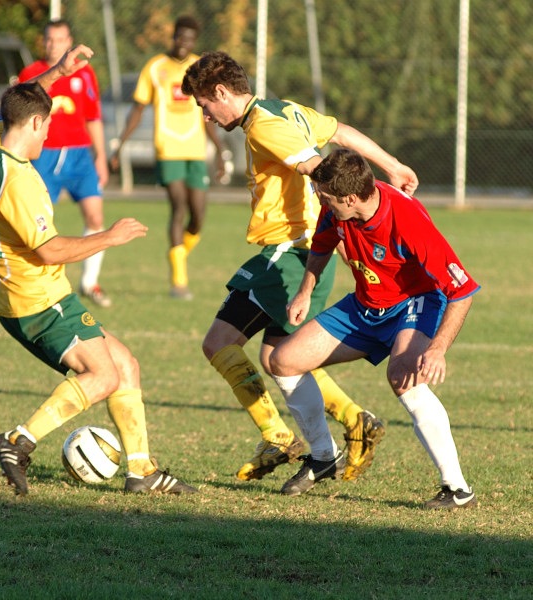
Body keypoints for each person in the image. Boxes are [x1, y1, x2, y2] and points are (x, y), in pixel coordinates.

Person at [181, 51, 419, 483]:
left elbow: (322, 169)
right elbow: (342, 132)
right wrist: (393, 164)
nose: (207, 117)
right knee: (278, 357)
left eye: (204, 106)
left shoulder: (265, 124)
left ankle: (279, 438)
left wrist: (357, 229)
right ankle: (350, 425)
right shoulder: (284, 108)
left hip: (289, 252)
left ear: (220, 92)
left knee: (219, 343)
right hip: (302, 249)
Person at [0, 44, 196, 497]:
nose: (48, 135)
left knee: (126, 365)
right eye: (47, 126)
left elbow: (24, 99)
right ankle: (17, 441)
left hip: (40, 296)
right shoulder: (17, 183)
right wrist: (109, 237)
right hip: (36, 301)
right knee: (104, 376)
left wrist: (57, 71)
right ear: (35, 124)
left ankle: (141, 471)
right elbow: (51, 250)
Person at [269, 148, 479, 508]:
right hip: (365, 305)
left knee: (403, 377)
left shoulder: (407, 220)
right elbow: (321, 245)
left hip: (414, 303)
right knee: (283, 361)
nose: (321, 201)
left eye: (327, 198)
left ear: (351, 198)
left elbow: (462, 290)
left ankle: (457, 489)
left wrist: (438, 348)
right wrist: (305, 291)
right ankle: (323, 458)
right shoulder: (337, 207)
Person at [110, 15, 226, 300]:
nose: (183, 43)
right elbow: (137, 109)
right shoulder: (155, 68)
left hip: (195, 151)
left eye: (189, 38)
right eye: (179, 37)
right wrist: (121, 144)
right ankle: (179, 281)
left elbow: (208, 114)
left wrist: (221, 152)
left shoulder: (200, 68)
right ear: (173, 36)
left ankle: (178, 255)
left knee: (198, 216)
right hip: (167, 150)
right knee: (179, 207)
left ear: (194, 41)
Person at [19, 19, 112, 308]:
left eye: (59, 40)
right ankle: (34, 281)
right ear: (43, 41)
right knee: (39, 222)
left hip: (80, 155)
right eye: (49, 39)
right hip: (43, 155)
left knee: (96, 217)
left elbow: (93, 117)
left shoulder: (85, 73)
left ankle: (89, 282)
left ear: (68, 41)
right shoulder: (32, 74)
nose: (53, 45)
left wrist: (102, 158)